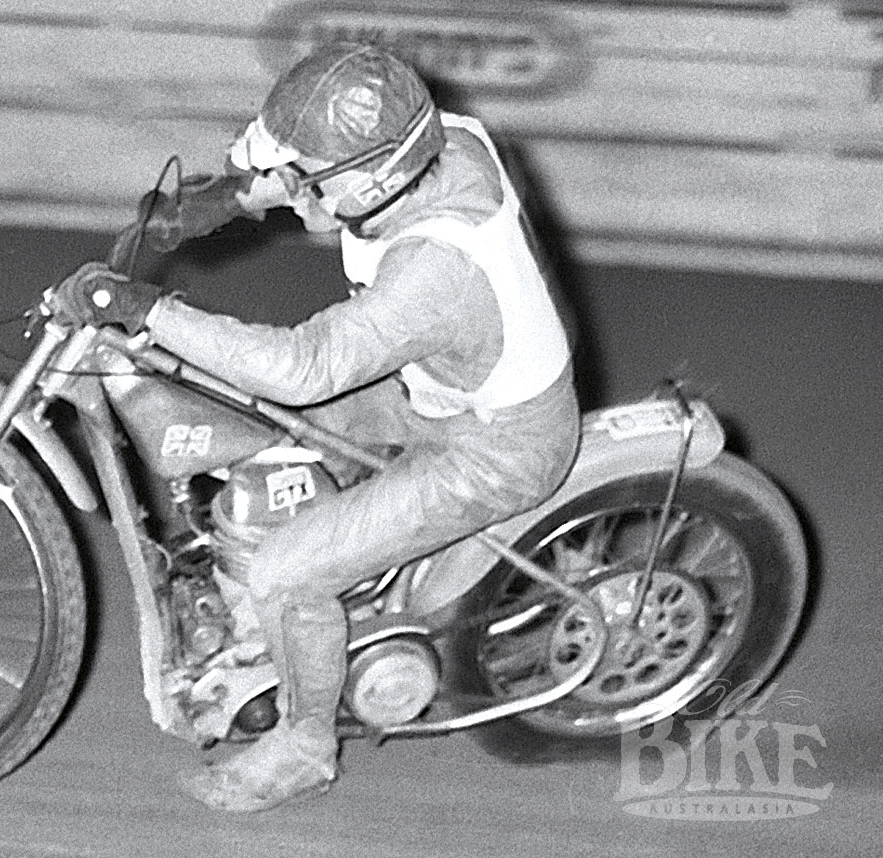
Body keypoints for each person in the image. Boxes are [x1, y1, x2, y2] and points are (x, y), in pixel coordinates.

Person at [48, 42, 580, 812]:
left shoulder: (435, 266)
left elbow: (309, 365)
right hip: (436, 387)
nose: (297, 189)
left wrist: (150, 310)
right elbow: (317, 170)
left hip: (494, 445)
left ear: (371, 181)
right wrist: (226, 200)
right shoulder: (443, 141)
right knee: (245, 417)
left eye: (311, 178)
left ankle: (304, 745)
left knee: (288, 573)